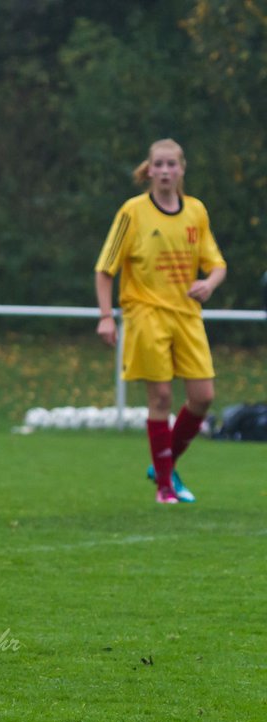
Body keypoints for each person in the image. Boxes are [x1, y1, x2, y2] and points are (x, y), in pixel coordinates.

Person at [94, 138, 227, 504]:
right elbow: (106, 269)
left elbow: (216, 263)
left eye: (172, 164)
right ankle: (165, 487)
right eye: (159, 165)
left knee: (203, 397)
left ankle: (164, 465)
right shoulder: (132, 212)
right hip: (145, 313)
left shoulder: (196, 211)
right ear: (149, 169)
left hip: (186, 314)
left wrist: (210, 284)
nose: (165, 171)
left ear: (182, 169)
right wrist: (107, 317)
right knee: (162, 396)